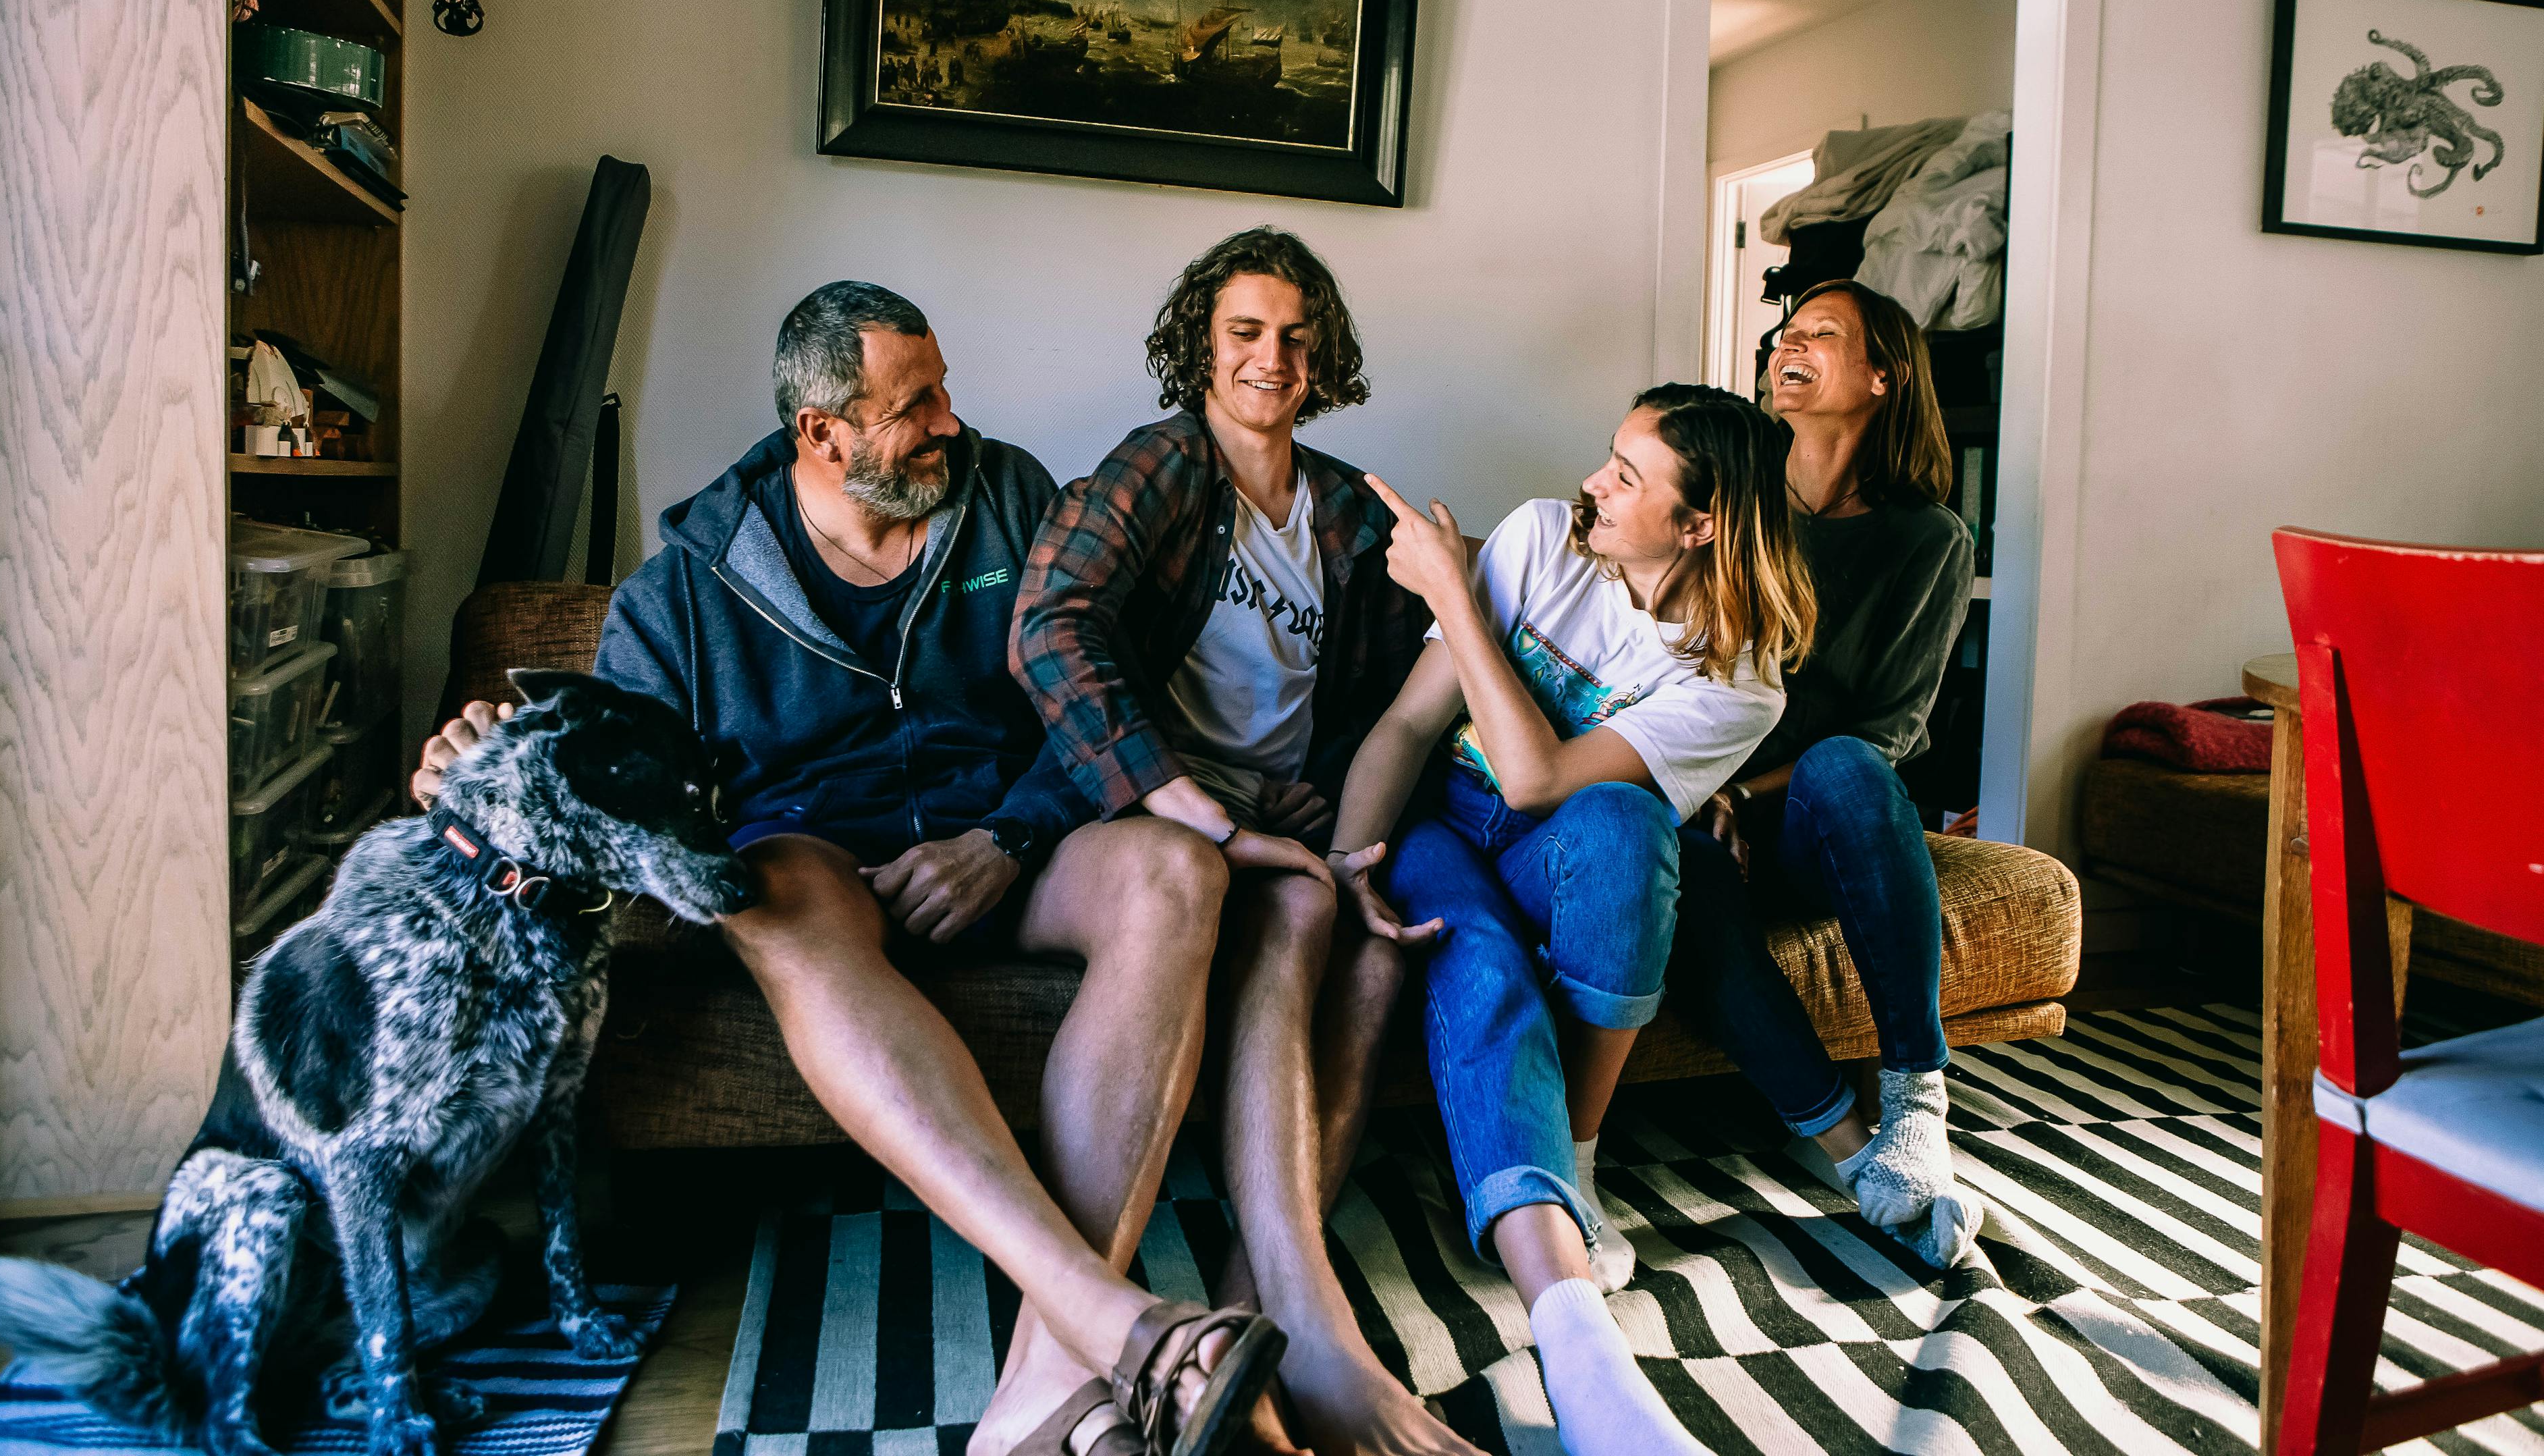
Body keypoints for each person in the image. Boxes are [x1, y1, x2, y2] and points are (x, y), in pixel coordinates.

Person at [414, 283, 1286, 1456]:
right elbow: (614, 767)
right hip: (819, 859)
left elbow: (1099, 694)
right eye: (911, 403)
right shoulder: (688, 583)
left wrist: (1006, 839)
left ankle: (1046, 1372)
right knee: (760, 888)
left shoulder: (1012, 497)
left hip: (1013, 842)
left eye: (940, 388)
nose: (947, 421)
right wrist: (488, 763)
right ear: (819, 432)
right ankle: (1110, 1323)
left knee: (1179, 873)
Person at [1010, 228, 1467, 1456]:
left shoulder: (1341, 507)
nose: (1274, 358)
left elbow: (1377, 697)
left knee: (1374, 942)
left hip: (1271, 819)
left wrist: (1324, 805)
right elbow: (1049, 627)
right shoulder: (1164, 465)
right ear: (1202, 346)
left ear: (1325, 355)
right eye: (1247, 333)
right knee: (1306, 905)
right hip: (1141, 813)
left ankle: (1241, 1319)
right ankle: (1245, 1339)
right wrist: (1200, 811)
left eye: (1297, 336)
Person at [1328, 385, 1814, 1456]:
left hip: (1551, 836)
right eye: (1610, 456)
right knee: (1480, 961)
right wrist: (1342, 873)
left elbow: (1544, 780)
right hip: (1443, 829)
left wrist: (1455, 598)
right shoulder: (1544, 539)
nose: (1594, 481)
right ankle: (1575, 1330)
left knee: (1629, 830)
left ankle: (1578, 1157)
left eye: (1629, 476)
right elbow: (1413, 724)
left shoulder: (1740, 688)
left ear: (1702, 525)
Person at [1685, 277, 1982, 1268]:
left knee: (1852, 765)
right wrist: (1703, 790)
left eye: (1820, 333)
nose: (1786, 344)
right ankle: (1848, 1148)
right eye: (1782, 331)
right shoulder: (1728, 501)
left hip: (1811, 817)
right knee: (1661, 853)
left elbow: (1895, 731)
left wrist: (1747, 794)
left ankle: (1915, 1100)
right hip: (1697, 800)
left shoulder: (1928, 540)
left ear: (1883, 376)